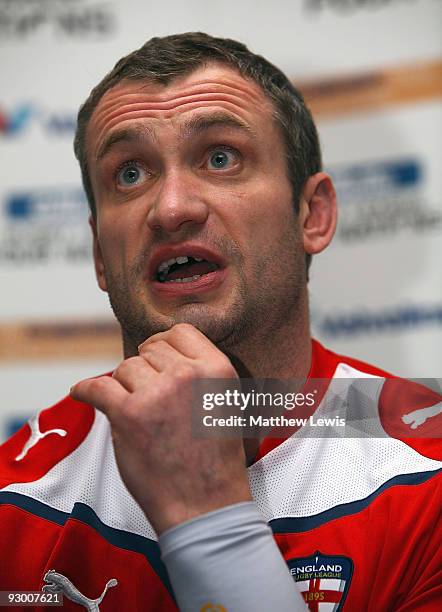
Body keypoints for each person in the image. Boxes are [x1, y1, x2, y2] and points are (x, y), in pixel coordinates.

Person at [0, 32, 441, 612]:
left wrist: (208, 519)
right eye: (130, 174)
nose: (172, 207)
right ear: (100, 257)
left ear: (312, 214)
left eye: (220, 158)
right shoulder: (17, 500)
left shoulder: (429, 471)